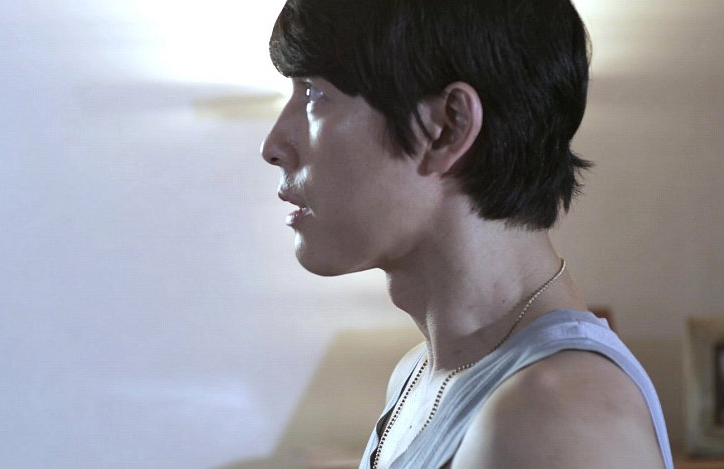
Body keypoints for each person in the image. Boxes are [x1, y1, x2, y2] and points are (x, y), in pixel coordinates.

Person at [260, 0, 673, 467]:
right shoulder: (418, 376)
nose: (273, 146)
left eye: (314, 94)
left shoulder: (555, 416)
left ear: (448, 127)